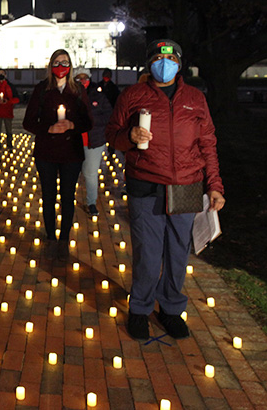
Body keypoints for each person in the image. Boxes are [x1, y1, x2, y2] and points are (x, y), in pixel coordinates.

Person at [106, 39, 225, 341]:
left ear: (180, 63)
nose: (164, 62)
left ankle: (171, 309)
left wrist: (214, 186)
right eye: (158, 57)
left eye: (170, 57)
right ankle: (140, 309)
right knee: (147, 253)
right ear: (149, 62)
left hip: (186, 185)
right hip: (145, 184)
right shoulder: (132, 96)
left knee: (177, 254)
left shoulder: (195, 99)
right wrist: (130, 136)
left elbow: (207, 144)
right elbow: (113, 136)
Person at [23, 49, 92, 260]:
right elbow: (28, 121)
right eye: (57, 62)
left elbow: (88, 121)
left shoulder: (77, 90)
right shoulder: (42, 90)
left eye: (65, 62)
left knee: (68, 197)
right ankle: (51, 235)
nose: (61, 66)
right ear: (50, 65)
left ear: (70, 66)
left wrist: (72, 124)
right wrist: (48, 129)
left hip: (71, 153)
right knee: (49, 195)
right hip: (47, 152)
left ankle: (64, 237)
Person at [73, 67, 113, 216]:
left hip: (93, 141)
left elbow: (109, 115)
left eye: (85, 78)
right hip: (73, 141)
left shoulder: (98, 95)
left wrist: (92, 120)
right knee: (70, 173)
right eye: (78, 78)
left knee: (90, 174)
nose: (82, 81)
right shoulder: (69, 94)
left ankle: (91, 202)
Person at [0, 69, 20, 152]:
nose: (1, 75)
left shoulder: (11, 86)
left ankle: (9, 146)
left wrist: (8, 101)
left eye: (2, 74)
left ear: (6, 75)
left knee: (9, 130)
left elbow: (17, 98)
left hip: (7, 112)